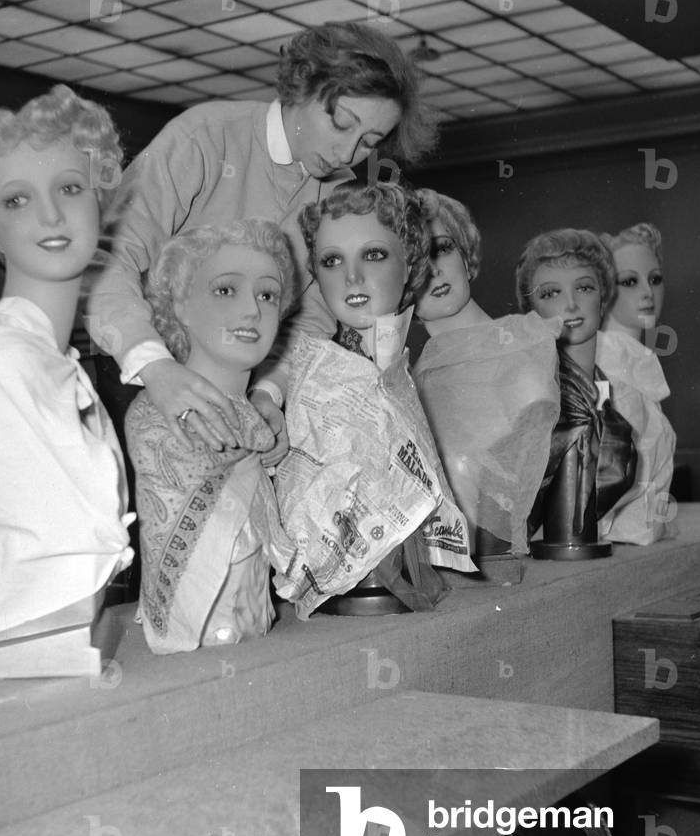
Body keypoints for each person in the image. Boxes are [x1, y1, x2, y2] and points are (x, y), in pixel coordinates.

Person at [87, 21, 437, 462]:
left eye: (369, 141)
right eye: (341, 122)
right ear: (303, 85)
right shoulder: (205, 136)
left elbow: (311, 316)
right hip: (137, 370)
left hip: (240, 386)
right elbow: (110, 258)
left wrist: (271, 392)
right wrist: (155, 367)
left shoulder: (340, 195)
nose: (348, 153)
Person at [0, 84, 135, 676]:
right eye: (17, 200)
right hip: (36, 639)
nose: (51, 215)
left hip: (73, 634)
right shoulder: (3, 368)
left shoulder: (52, 361)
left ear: (99, 203)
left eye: (70, 188)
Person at [272, 182, 474, 617]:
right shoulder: (312, 378)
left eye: (374, 254)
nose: (352, 278)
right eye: (331, 261)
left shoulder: (402, 374)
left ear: (411, 263)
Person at [124, 220, 297, 654]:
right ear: (180, 303)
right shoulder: (157, 413)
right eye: (225, 290)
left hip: (254, 623)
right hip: (199, 630)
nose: (252, 311)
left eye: (267, 295)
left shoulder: (258, 419)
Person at [412, 190, 559, 555]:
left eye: (441, 249)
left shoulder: (523, 353)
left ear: (465, 253)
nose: (432, 270)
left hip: (496, 564)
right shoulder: (410, 381)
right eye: (412, 261)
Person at [516, 230, 637, 554]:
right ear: (531, 309)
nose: (570, 304)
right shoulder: (535, 394)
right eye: (550, 293)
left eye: (583, 287)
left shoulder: (602, 390)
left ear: (604, 295)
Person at [598, 222, 676, 544]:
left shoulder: (636, 363)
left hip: (638, 536)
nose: (647, 292)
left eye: (654, 279)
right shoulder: (605, 366)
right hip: (611, 540)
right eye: (629, 281)